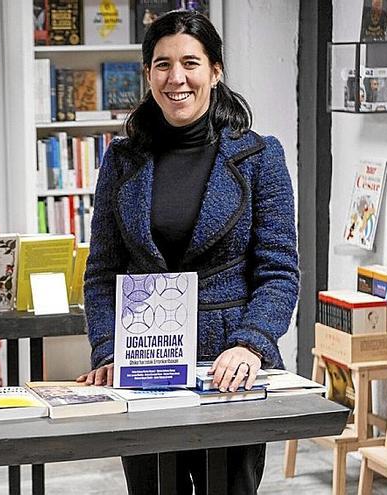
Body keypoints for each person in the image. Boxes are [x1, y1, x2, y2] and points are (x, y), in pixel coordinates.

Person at [76, 11, 299, 495]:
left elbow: (279, 271)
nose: (176, 78)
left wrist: (252, 342)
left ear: (215, 71)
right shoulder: (122, 156)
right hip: (142, 362)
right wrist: (108, 349)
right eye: (162, 64)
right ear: (148, 74)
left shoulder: (261, 156)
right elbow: (102, 273)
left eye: (190, 63)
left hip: (230, 365)